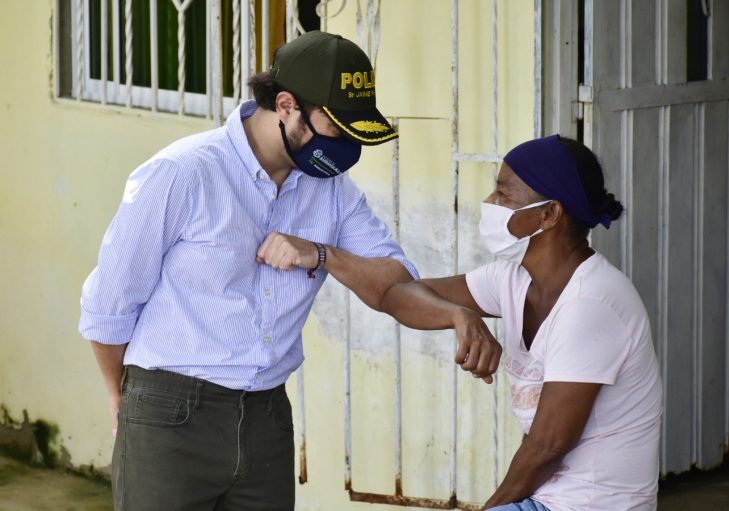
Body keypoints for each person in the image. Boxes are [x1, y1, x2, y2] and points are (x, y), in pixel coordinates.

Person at [79, 31, 419, 511]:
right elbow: (109, 302)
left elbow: (397, 279)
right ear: (285, 105)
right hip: (169, 413)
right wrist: (125, 398)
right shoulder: (184, 173)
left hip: (267, 417)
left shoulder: (333, 192)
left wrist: (321, 254)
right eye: (335, 125)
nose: (344, 144)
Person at [381, 135, 663, 511]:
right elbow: (400, 295)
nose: (488, 204)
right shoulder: (513, 278)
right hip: (547, 499)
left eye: (503, 195)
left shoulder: (590, 303)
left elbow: (549, 445)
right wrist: (457, 315)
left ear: (549, 214)